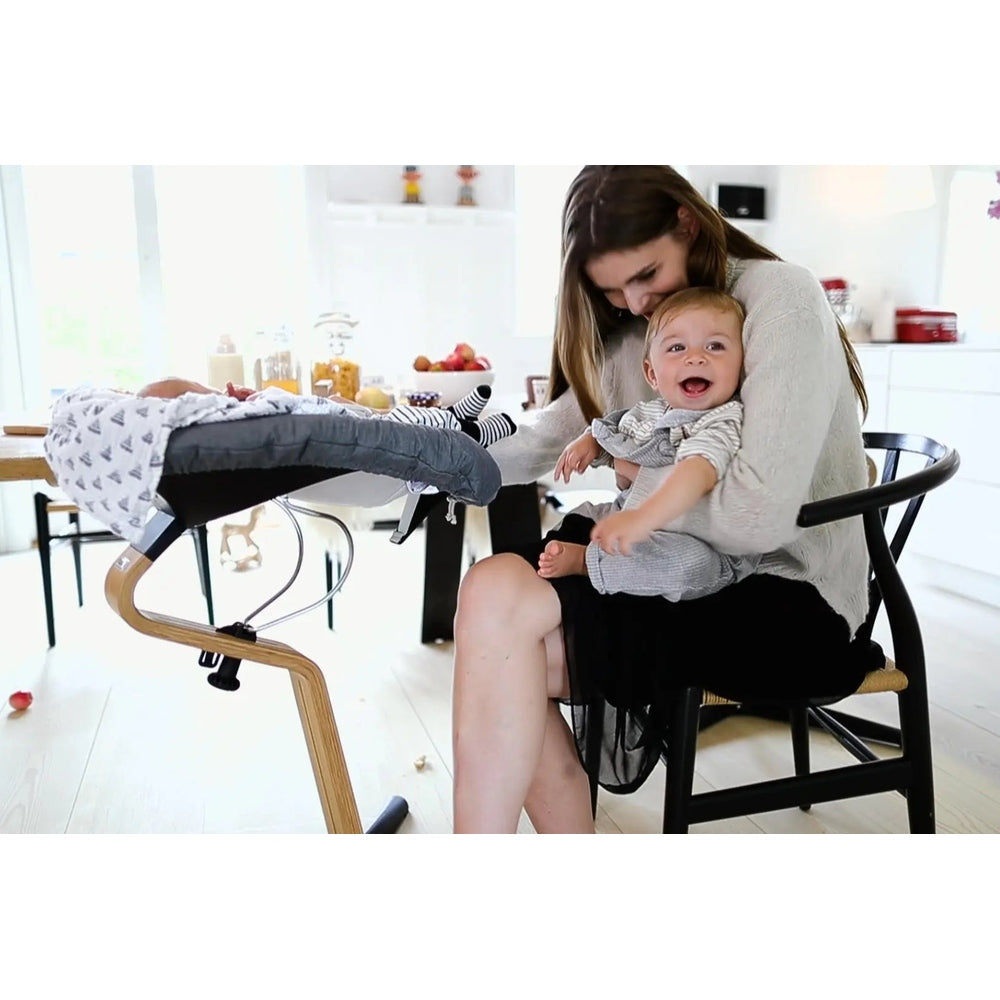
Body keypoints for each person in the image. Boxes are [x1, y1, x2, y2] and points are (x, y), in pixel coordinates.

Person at [451, 165, 884, 833]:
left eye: (646, 274)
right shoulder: (647, 326)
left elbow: (754, 517)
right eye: (613, 289)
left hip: (789, 597)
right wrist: (420, 461)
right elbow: (545, 439)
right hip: (676, 560)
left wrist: (638, 489)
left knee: (504, 655)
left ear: (686, 223)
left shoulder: (781, 299)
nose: (635, 302)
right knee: (490, 592)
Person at [536, 286, 759, 602]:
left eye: (715, 346)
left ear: (742, 365)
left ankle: (586, 562)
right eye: (677, 348)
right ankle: (580, 543)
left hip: (701, 540)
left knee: (687, 566)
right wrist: (592, 443)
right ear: (652, 374)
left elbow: (699, 471)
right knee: (585, 515)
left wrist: (645, 517)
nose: (696, 358)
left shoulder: (725, 418)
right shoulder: (650, 412)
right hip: (635, 517)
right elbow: (617, 430)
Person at [134, 377, 516, 447]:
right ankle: (461, 429)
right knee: (398, 427)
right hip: (339, 431)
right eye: (213, 393)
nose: (228, 392)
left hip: (333, 413)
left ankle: (453, 418)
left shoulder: (238, 412)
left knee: (391, 417)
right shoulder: (232, 423)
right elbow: (276, 414)